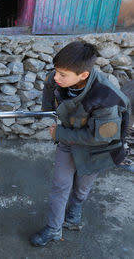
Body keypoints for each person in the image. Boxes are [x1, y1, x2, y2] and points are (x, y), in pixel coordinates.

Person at [30, 41, 131, 247]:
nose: (56, 77)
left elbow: (102, 137)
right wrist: (49, 112)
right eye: (56, 71)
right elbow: (50, 88)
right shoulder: (56, 77)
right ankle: (53, 228)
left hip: (98, 149)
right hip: (69, 140)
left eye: (63, 75)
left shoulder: (106, 98)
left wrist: (60, 132)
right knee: (60, 185)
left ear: (83, 75)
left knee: (82, 186)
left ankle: (75, 208)